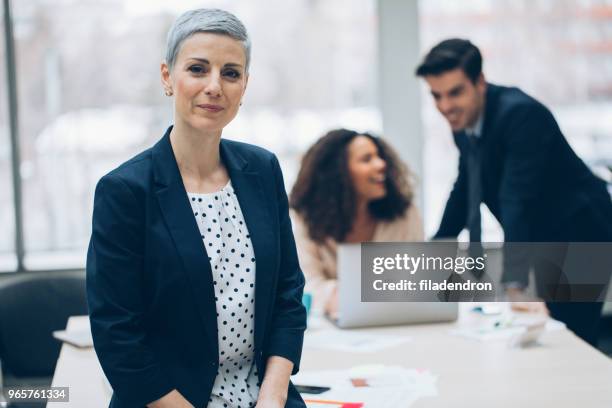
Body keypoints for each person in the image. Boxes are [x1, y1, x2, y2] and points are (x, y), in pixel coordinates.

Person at [86, 9, 307, 408]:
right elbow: (117, 335)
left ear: (245, 86)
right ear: (168, 77)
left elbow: (288, 294)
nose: (214, 86)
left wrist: (274, 394)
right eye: (198, 69)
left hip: (263, 397)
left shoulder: (263, 170)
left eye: (231, 73)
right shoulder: (124, 191)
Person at [415, 38, 612, 345]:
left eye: (455, 93)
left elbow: (515, 198)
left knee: (569, 335)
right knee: (540, 326)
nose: (445, 107)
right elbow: (466, 185)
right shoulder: (464, 122)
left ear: (479, 82)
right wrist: (434, 255)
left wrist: (515, 281)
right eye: (436, 96)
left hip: (582, 229)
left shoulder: (521, 115)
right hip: (543, 231)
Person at [289, 129, 424, 317]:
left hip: (397, 323)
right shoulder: (304, 221)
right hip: (332, 332)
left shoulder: (404, 215)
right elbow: (306, 286)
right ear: (338, 172)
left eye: (379, 156)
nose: (381, 164)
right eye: (367, 159)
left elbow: (417, 281)